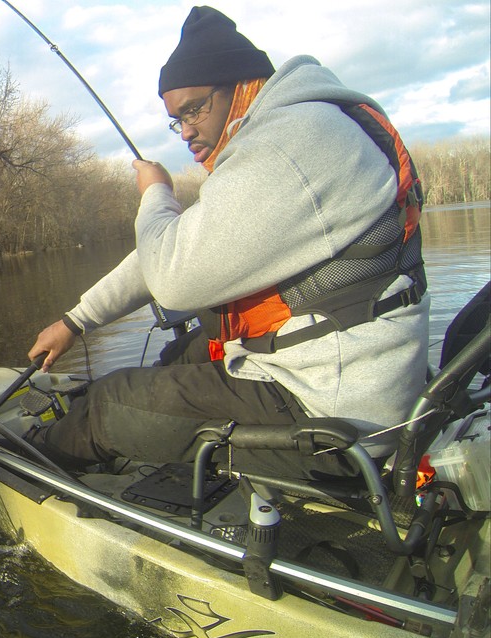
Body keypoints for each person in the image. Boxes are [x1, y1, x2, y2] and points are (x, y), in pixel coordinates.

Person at [26, 6, 429, 480]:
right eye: (176, 120)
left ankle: (33, 466)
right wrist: (76, 320)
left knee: (109, 404)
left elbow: (171, 276)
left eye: (194, 109)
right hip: (348, 375)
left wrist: (156, 193)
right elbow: (172, 248)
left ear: (242, 87)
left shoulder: (287, 146)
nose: (187, 131)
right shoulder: (302, 131)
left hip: (333, 410)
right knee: (184, 355)